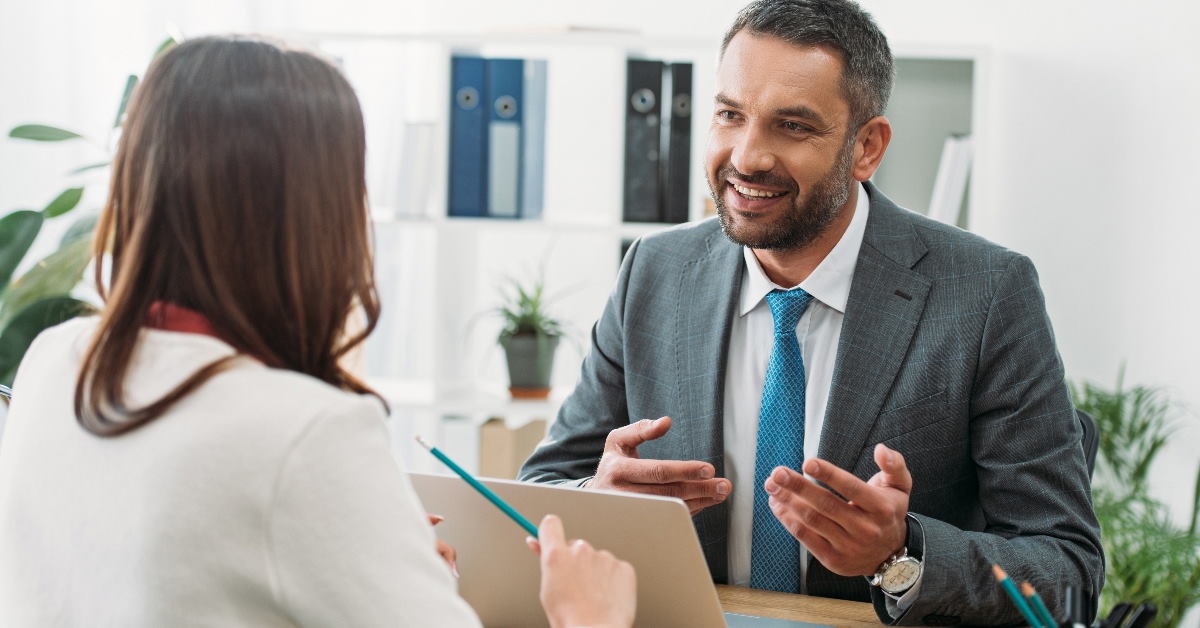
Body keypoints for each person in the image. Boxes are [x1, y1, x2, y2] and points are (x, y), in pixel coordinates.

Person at [0, 36, 636, 628]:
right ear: (316, 217)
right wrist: (588, 613)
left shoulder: (54, 360)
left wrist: (377, 557)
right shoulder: (302, 430)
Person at [519, 0, 1103, 624]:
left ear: (868, 148)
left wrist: (901, 555)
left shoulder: (986, 293)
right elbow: (544, 488)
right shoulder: (653, 272)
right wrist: (597, 501)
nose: (747, 157)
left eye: (792, 126)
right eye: (730, 115)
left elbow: (1067, 569)